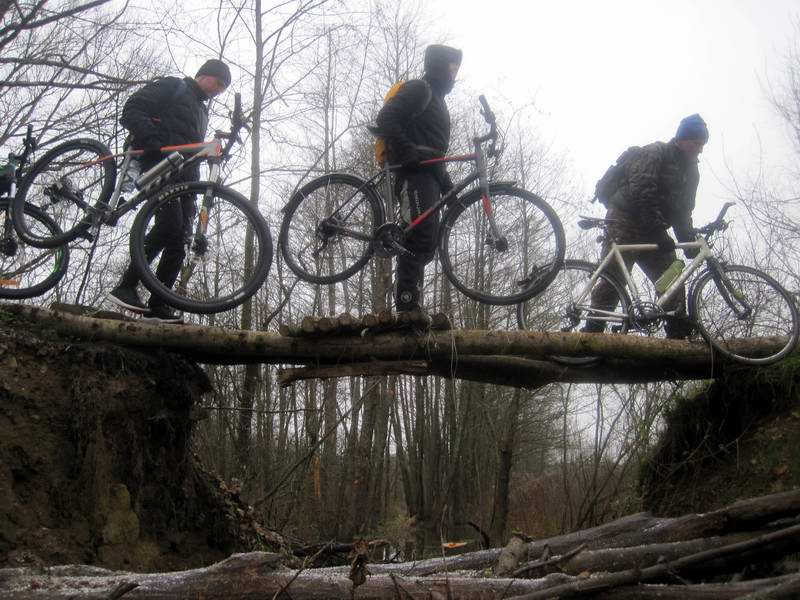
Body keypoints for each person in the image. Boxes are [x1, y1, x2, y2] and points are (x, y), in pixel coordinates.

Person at [107, 59, 231, 323]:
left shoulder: (202, 112)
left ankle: (159, 305)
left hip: (186, 180)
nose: (218, 90)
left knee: (181, 239)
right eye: (218, 83)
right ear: (204, 75)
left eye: (223, 88)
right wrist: (152, 140)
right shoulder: (174, 87)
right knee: (169, 226)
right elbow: (133, 109)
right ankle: (126, 286)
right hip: (159, 166)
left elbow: (190, 147)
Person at [587, 113, 709, 339]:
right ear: (682, 138)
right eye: (695, 143)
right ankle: (591, 332)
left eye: (701, 145)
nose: (698, 149)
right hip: (626, 218)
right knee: (614, 277)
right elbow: (642, 188)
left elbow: (683, 211)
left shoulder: (692, 172)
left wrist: (687, 238)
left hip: (655, 228)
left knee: (672, 278)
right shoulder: (655, 152)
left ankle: (676, 335)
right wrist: (657, 229)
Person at [375, 44, 463, 313]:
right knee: (417, 236)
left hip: (429, 178)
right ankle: (405, 302)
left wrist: (450, 193)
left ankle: (411, 298)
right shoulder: (419, 89)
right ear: (440, 65)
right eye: (452, 66)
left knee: (428, 243)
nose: (455, 73)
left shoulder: (439, 103)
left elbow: (435, 155)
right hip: (412, 173)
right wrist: (405, 149)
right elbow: (386, 117)